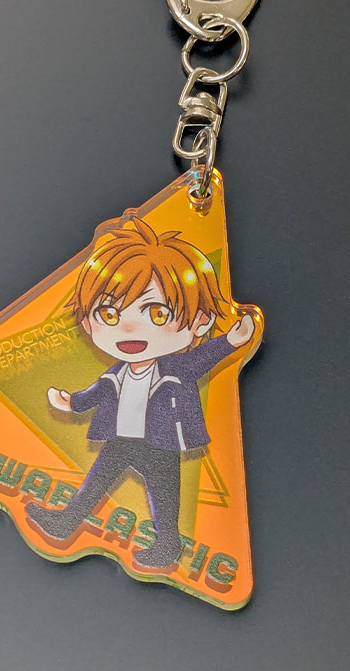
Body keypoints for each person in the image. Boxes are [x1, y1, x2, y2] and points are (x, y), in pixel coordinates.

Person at [25, 217, 255, 568]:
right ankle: (66, 522)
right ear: (87, 322)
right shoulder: (118, 371)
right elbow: (100, 391)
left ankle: (168, 545)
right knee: (95, 482)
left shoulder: (176, 368)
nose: (130, 327)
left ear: (200, 322)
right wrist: (72, 403)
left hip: (160, 444)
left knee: (164, 497)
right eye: (109, 313)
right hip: (121, 440)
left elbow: (201, 358)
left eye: (158, 313)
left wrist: (231, 341)